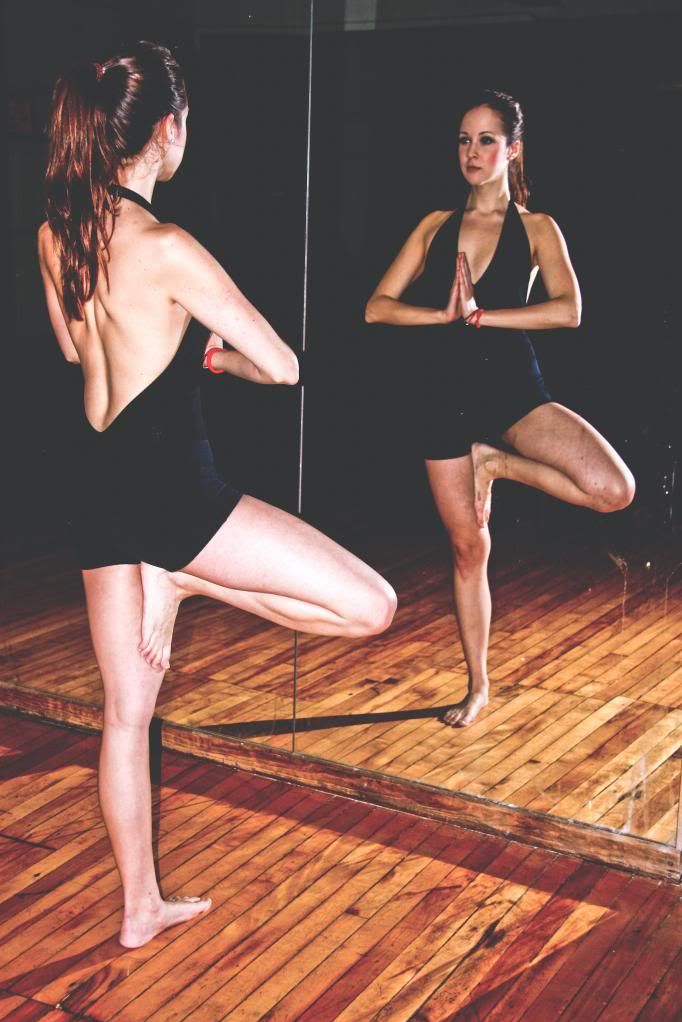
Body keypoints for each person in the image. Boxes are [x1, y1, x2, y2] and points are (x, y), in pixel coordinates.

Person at [38, 41, 396, 948]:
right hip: (172, 494)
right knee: (372, 607)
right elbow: (283, 366)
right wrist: (217, 358)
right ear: (168, 130)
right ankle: (187, 577)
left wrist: (157, 342)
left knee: (126, 717)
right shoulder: (168, 247)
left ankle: (139, 909)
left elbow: (76, 352)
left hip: (96, 488)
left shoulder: (55, 232)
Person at [365, 89, 634, 730]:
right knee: (469, 550)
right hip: (440, 397)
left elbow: (569, 310)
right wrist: (441, 316)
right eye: (464, 139)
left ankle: (497, 464)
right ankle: (478, 685)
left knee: (612, 488)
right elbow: (377, 307)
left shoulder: (538, 228)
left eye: (487, 140)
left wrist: (483, 317)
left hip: (514, 390)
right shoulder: (434, 226)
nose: (472, 152)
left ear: (512, 149)